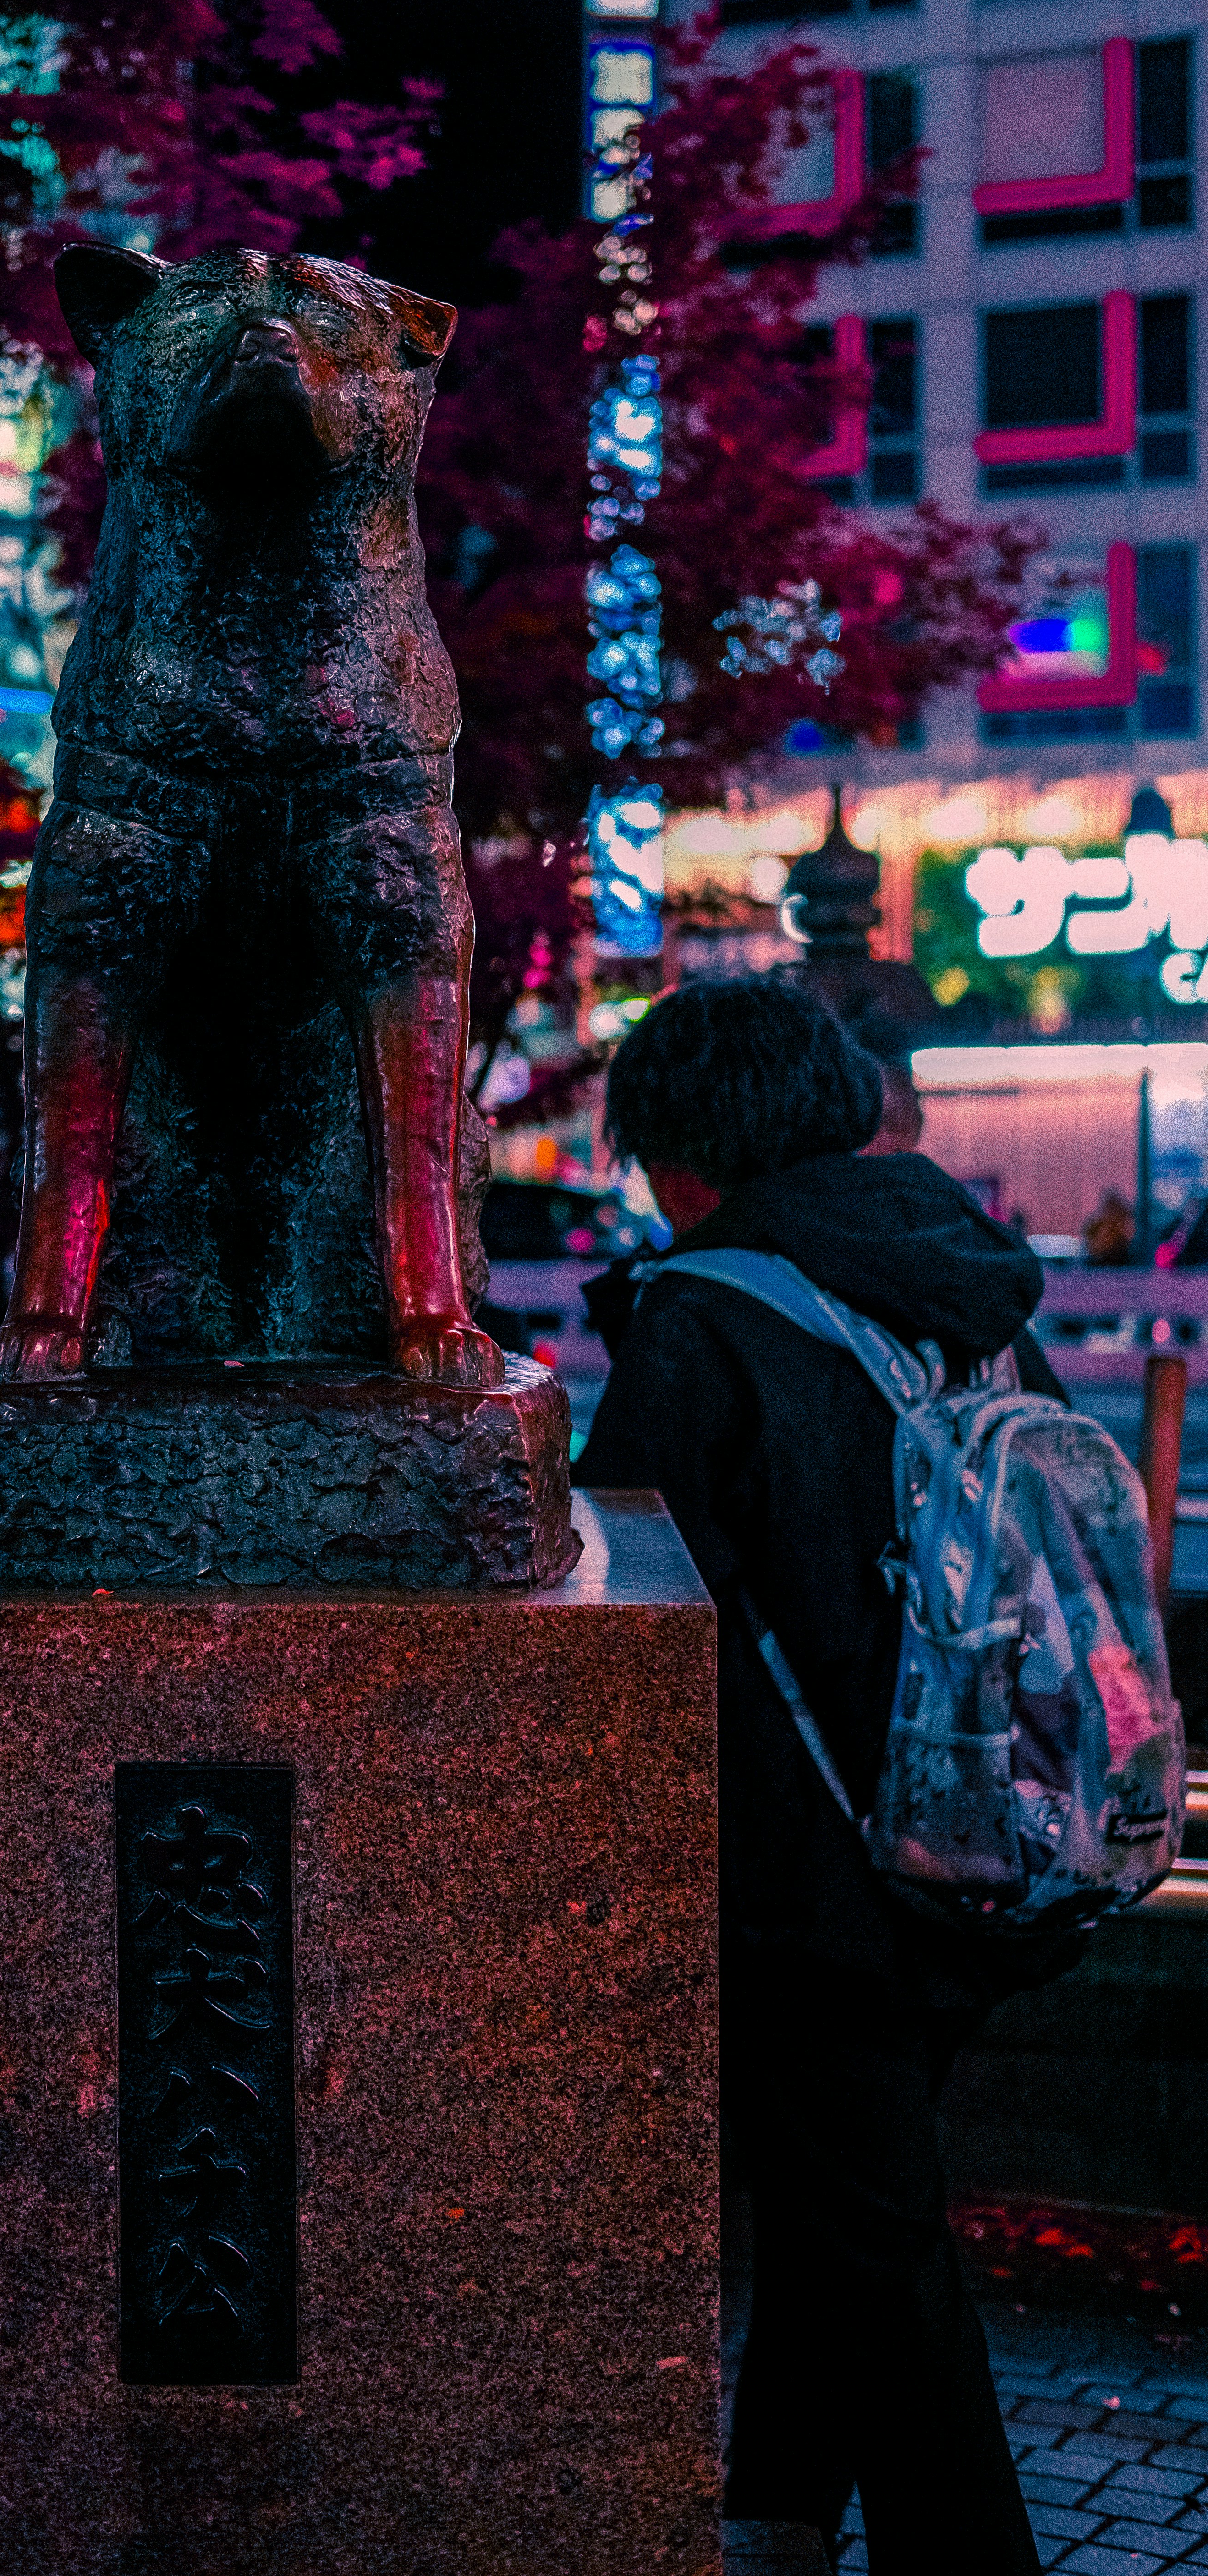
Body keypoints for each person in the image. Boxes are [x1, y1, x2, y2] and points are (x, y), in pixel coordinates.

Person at [574, 976, 1071, 2576]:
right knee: (847, 2204)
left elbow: (632, 1598)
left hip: (813, 1865)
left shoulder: (704, 1313)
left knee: (876, 2237)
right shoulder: (960, 1279)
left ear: (688, 1152)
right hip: (995, 1827)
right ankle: (774, 2512)